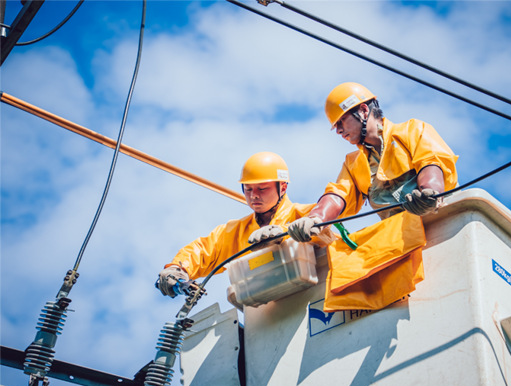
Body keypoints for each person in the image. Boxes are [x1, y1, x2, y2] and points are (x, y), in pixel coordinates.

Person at [286, 82, 459, 243]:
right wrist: (316, 218)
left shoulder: (413, 130)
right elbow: (338, 194)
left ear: (363, 110)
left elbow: (432, 162)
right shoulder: (353, 163)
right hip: (404, 240)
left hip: (443, 227)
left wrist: (430, 195)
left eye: (341, 121)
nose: (338, 130)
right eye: (335, 125)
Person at [155, 151, 318, 298]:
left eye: (261, 189)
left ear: (282, 187)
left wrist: (283, 233)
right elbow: (204, 249)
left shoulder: (306, 214)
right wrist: (177, 268)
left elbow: (325, 234)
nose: (254, 196)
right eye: (248, 189)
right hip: (264, 312)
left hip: (313, 297)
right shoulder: (237, 232)